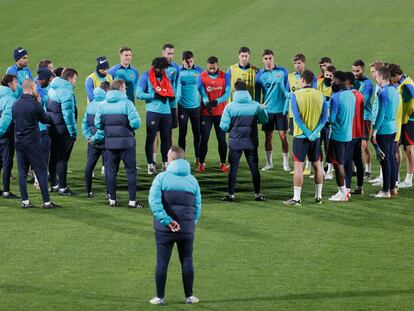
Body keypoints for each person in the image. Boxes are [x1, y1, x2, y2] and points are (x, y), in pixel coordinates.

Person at [148, 146, 201, 305]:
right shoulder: (192, 180)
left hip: (164, 229)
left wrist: (167, 221)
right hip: (186, 229)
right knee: (187, 260)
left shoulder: (161, 178)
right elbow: (197, 206)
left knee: (162, 262)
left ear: (171, 159)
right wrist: (190, 224)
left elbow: (154, 202)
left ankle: (160, 297)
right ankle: (189, 296)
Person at [92, 80, 142, 208]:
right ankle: (132, 201)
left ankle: (112, 200)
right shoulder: (127, 104)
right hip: (127, 143)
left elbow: (98, 124)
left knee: (112, 171)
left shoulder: (102, 105)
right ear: (120, 88)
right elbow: (136, 123)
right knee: (130, 171)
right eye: (124, 88)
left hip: (110, 144)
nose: (125, 90)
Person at [12, 79, 60, 209]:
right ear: (32, 87)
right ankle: (46, 202)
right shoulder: (35, 104)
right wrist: (39, 103)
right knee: (41, 171)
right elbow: (45, 120)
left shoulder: (15, 104)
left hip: (19, 142)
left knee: (22, 173)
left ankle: (25, 202)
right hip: (32, 143)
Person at [283, 70, 328, 205]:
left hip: (300, 137)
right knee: (317, 167)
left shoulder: (295, 95)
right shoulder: (321, 96)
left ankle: (297, 198)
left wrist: (307, 133)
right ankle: (318, 196)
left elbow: (296, 118)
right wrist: (314, 133)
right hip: (316, 137)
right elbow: (324, 118)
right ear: (312, 81)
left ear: (302, 80)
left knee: (298, 167)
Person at [220, 80, 268, 202]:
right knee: (254, 168)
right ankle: (257, 194)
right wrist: (261, 110)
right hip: (251, 143)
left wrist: (232, 129)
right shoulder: (256, 105)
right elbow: (264, 120)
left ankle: (231, 195)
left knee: (233, 169)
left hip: (235, 143)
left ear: (235, 91)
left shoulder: (230, 106)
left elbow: (223, 126)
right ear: (247, 91)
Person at [137, 57, 174, 175]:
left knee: (166, 139)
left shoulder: (166, 75)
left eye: (162, 69)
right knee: (151, 138)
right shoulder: (146, 76)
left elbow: (171, 90)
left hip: (166, 112)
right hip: (153, 112)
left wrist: (172, 97)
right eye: (158, 68)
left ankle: (165, 164)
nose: (160, 70)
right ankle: (150, 164)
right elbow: (138, 94)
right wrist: (153, 96)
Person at [255, 49, 290, 171]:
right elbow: (257, 96)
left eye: (270, 58)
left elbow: (287, 91)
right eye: (266, 59)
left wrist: (286, 108)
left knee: (283, 136)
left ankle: (285, 163)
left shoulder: (283, 71)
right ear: (262, 60)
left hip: (281, 110)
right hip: (267, 111)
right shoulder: (259, 76)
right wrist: (258, 110)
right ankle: (269, 163)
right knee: (268, 136)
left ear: (273, 58)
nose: (268, 61)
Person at [47, 68, 78, 196]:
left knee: (54, 156)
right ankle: (63, 187)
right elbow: (68, 115)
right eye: (75, 79)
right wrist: (73, 132)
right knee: (62, 159)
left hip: (52, 128)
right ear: (70, 78)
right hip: (63, 130)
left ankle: (54, 184)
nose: (75, 82)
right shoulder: (66, 91)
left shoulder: (53, 87)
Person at [197, 56, 230, 173]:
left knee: (221, 139)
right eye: (209, 68)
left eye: (213, 68)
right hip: (206, 113)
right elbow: (202, 92)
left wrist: (217, 101)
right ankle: (201, 163)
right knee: (204, 139)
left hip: (221, 113)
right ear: (207, 66)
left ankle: (222, 163)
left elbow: (227, 93)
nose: (211, 70)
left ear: (218, 65)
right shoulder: (201, 77)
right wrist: (206, 102)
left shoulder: (225, 76)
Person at [370, 65, 399, 198]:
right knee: (391, 158)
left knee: (384, 159)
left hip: (384, 129)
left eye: (376, 76)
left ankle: (386, 190)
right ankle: (393, 188)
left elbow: (381, 114)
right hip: (393, 127)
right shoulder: (394, 90)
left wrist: (374, 131)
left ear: (381, 77)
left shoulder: (383, 92)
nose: (375, 78)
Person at [327, 71, 356, 202]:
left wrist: (324, 115)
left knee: (338, 164)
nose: (331, 82)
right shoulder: (351, 95)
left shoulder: (335, 97)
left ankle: (342, 193)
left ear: (339, 81)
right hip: (348, 134)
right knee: (342, 162)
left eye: (333, 80)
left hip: (337, 135)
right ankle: (345, 191)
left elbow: (332, 119)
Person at [286, 53, 317, 176]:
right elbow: (285, 91)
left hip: (308, 112)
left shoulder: (310, 77)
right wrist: (292, 96)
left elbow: (313, 91)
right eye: (295, 63)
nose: (297, 65)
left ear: (304, 63)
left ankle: (309, 166)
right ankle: (300, 165)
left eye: (299, 63)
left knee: (308, 139)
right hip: (294, 113)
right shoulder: (290, 77)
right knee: (297, 140)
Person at [82, 81, 110, 197]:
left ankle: (88, 191)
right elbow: (103, 126)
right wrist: (95, 138)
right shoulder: (106, 105)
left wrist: (88, 137)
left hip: (92, 142)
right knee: (109, 167)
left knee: (90, 166)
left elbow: (84, 123)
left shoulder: (91, 104)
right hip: (104, 141)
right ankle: (110, 193)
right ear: (107, 91)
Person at [176, 51, 203, 164]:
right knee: (182, 134)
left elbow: (204, 87)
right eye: (187, 62)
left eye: (191, 61)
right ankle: (181, 159)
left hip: (196, 107)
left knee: (197, 133)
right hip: (183, 107)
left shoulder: (199, 71)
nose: (189, 64)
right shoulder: (178, 72)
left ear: (193, 60)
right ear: (182, 61)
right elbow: (176, 89)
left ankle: (198, 158)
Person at [352, 60, 374, 179]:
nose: (355, 73)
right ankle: (360, 168)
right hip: (355, 117)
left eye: (358, 71)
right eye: (354, 71)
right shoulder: (352, 82)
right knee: (356, 143)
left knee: (363, 144)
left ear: (363, 70)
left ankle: (366, 169)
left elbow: (364, 101)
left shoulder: (368, 84)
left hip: (365, 116)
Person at [343, 72, 365, 196]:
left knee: (347, 161)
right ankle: (360, 187)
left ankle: (347, 189)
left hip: (349, 133)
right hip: (358, 133)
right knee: (358, 160)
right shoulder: (360, 95)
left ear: (347, 82)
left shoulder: (346, 95)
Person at [393, 65, 414, 188]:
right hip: (402, 120)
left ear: (396, 75)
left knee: (409, 150)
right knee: (396, 147)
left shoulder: (407, 84)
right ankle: (396, 177)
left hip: (410, 120)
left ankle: (409, 179)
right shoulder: (403, 82)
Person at [33, 68, 55, 189]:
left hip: (36, 128)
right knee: (42, 156)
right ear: (45, 79)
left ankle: (39, 179)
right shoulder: (39, 91)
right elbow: (48, 102)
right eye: (50, 79)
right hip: (41, 129)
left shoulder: (36, 86)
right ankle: (39, 181)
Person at [0, 74, 19, 199]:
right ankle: (6, 192)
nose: (16, 85)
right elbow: (6, 120)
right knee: (7, 162)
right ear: (9, 84)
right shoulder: (10, 99)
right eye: (15, 82)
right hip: (5, 136)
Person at [317, 65, 336, 179]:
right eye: (326, 75)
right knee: (318, 145)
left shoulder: (335, 87)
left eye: (330, 76)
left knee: (329, 146)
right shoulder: (319, 83)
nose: (328, 77)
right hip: (319, 121)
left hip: (329, 122)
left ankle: (329, 170)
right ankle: (320, 170)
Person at [368, 61, 385, 186]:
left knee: (383, 149)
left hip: (381, 121)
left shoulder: (383, 86)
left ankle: (385, 177)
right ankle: (381, 175)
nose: (372, 74)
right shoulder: (378, 85)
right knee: (379, 148)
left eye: (373, 71)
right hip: (375, 119)